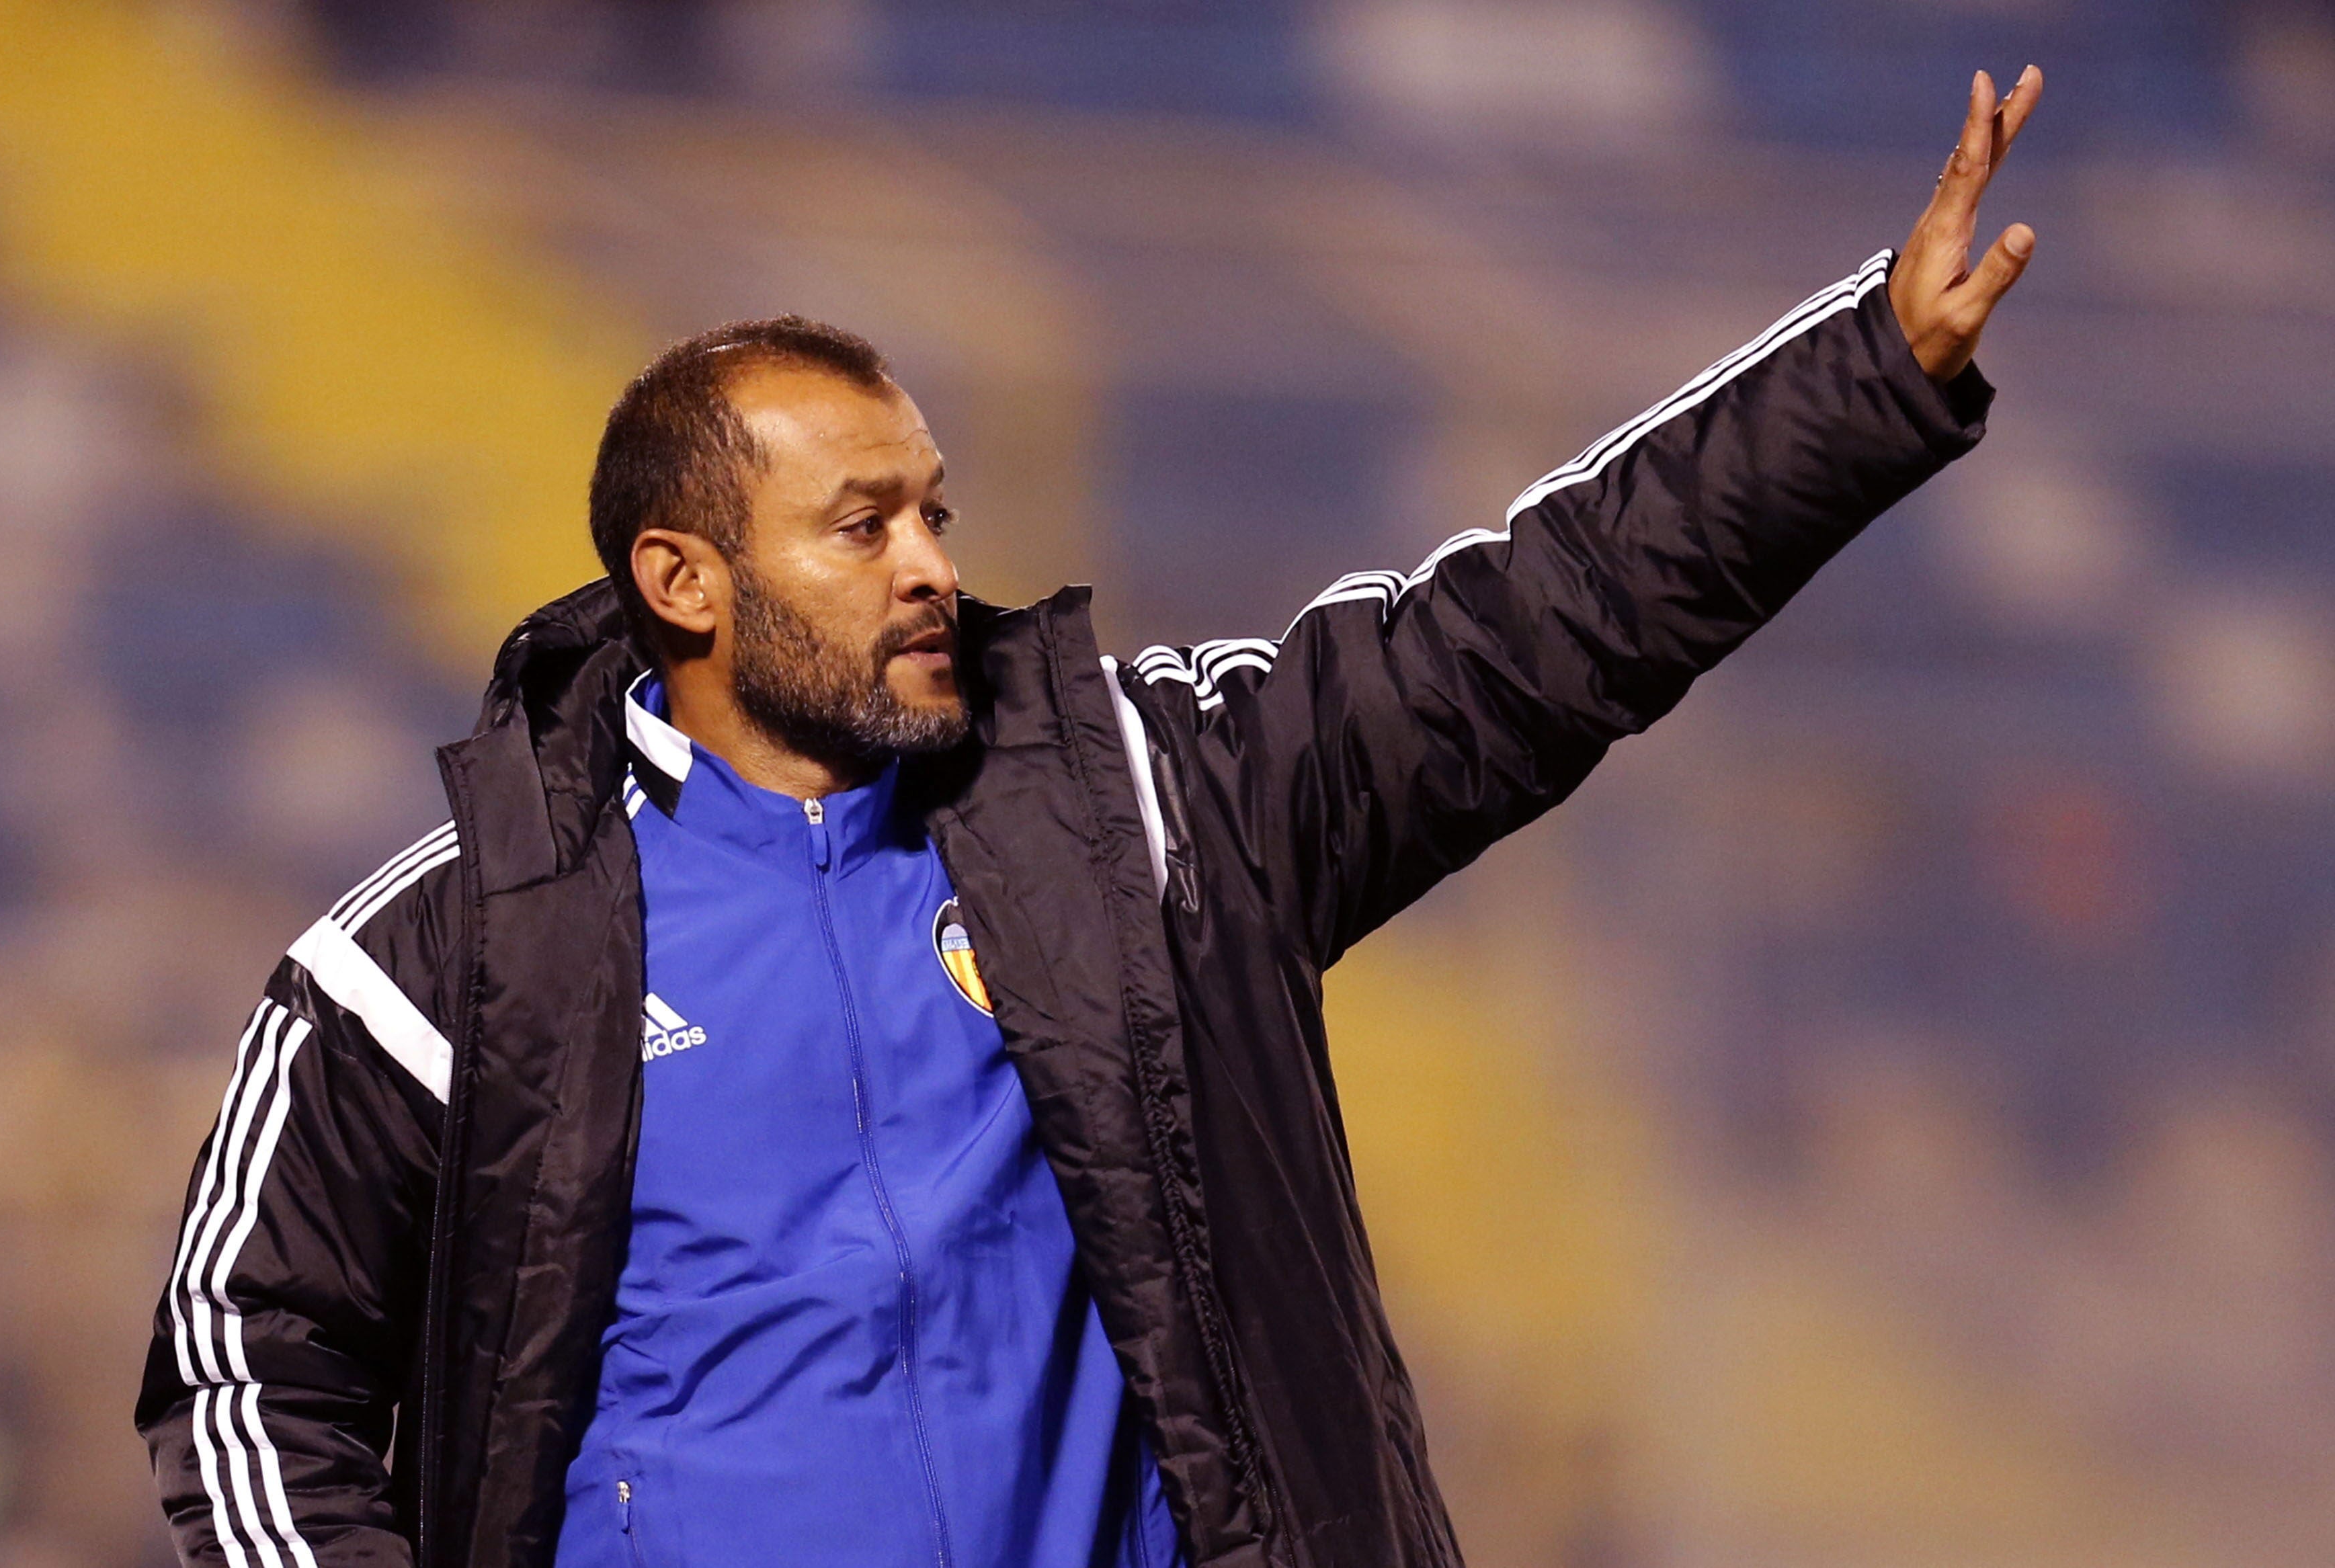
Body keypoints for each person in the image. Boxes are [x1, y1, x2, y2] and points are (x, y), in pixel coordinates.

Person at [139, 67, 2043, 1568]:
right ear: (683, 579)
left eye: (935, 511)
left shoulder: (1143, 803)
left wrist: (1859, 387)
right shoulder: (451, 951)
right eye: (859, 523)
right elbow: (246, 1349)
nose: (926, 567)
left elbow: (1518, 638)